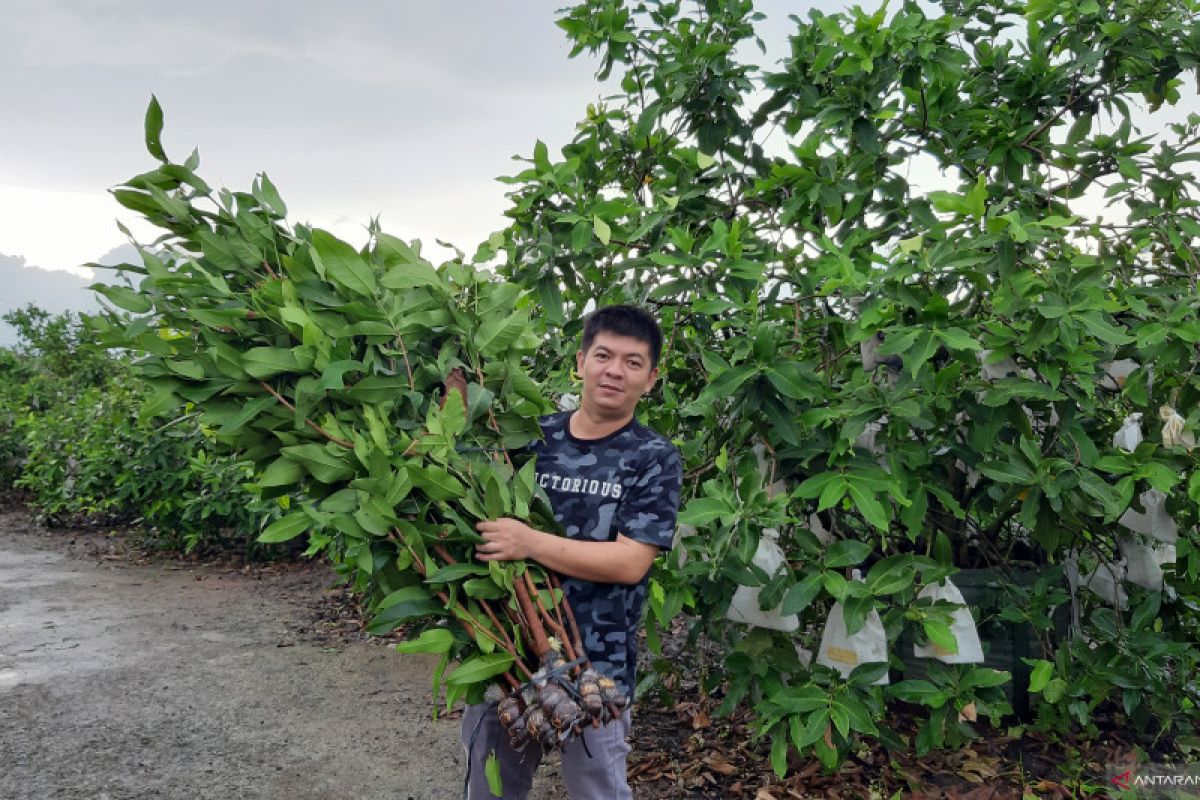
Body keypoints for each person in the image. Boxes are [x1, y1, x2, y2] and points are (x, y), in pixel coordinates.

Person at [461, 304, 683, 800]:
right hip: (509, 652)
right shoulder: (528, 438)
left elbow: (630, 563)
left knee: (599, 787)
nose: (614, 371)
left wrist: (529, 542)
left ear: (650, 379)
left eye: (632, 362)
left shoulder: (653, 456)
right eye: (603, 355)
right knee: (490, 786)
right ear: (579, 362)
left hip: (596, 665)